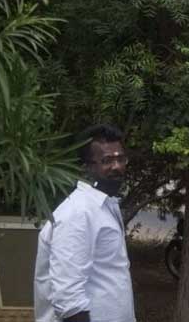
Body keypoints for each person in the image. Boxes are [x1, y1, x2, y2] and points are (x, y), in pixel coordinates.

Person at [34, 125, 134, 322]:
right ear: (86, 167)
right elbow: (68, 298)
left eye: (120, 158)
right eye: (106, 160)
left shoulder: (104, 205)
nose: (117, 166)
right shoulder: (78, 213)